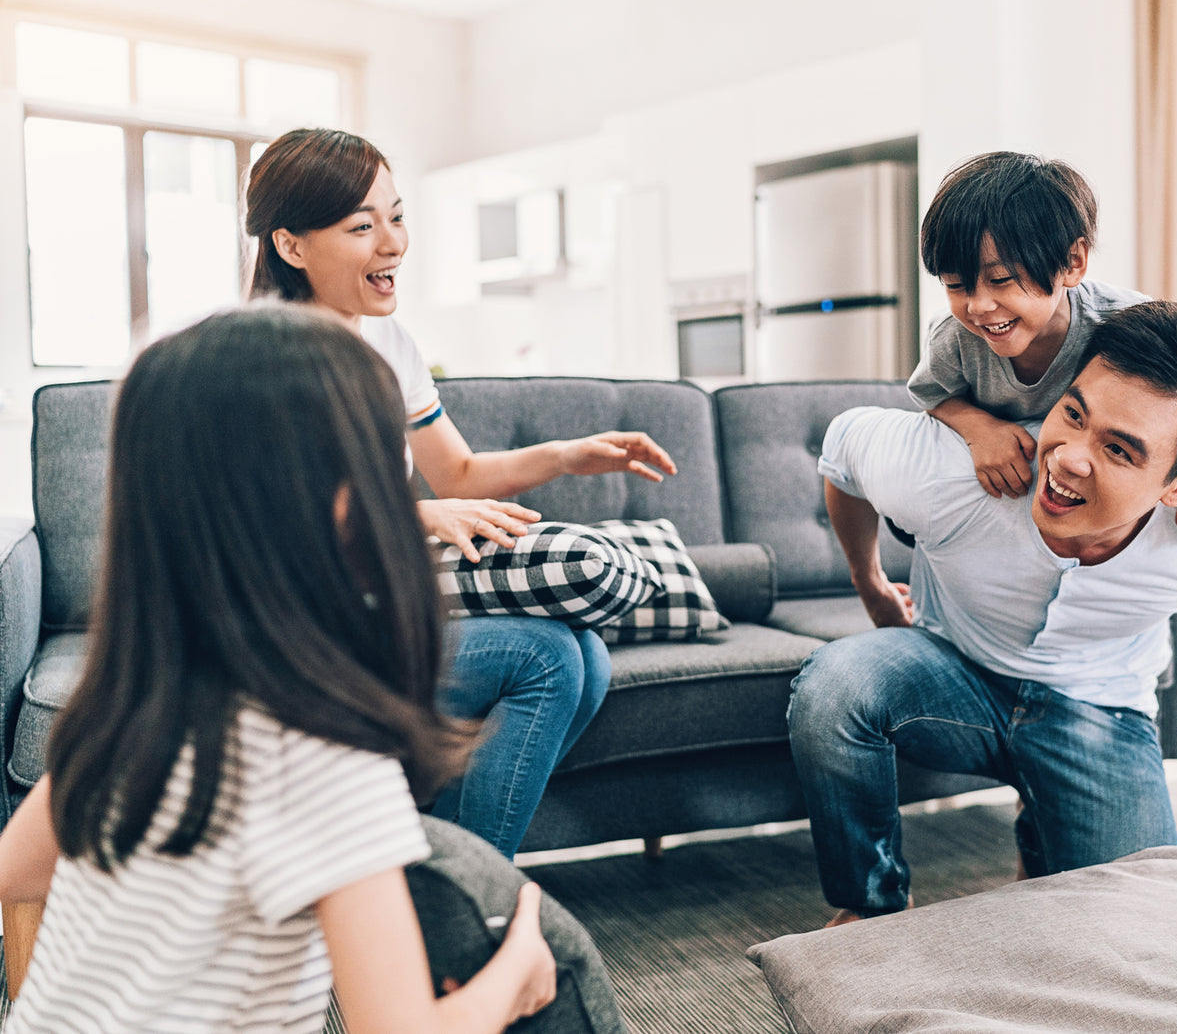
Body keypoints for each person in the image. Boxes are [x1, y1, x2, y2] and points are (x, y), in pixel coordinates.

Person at [0, 307, 558, 1032]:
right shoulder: (327, 755)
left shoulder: (124, 714)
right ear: (347, 507)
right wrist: (516, 975)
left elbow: (15, 870)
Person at [244, 127, 677, 857]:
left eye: (397, 215)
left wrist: (568, 456)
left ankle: (432, 873)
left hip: (380, 614)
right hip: (298, 636)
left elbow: (459, 475)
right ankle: (460, 909)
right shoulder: (256, 361)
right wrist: (413, 514)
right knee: (544, 658)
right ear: (291, 245)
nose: (394, 243)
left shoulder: (390, 344)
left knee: (588, 658)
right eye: (362, 226)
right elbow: (270, 531)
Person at [788, 300, 1177, 923]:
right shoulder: (949, 473)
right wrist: (872, 582)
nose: (1070, 457)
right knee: (834, 684)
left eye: (1120, 451)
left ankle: (1043, 830)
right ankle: (870, 904)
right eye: (1072, 414)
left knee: (1136, 927)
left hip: (1098, 705)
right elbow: (842, 447)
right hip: (954, 675)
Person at [909, 151, 1177, 545]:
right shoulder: (953, 335)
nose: (978, 306)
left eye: (1001, 279)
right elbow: (932, 393)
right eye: (955, 285)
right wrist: (980, 430)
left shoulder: (1122, 320)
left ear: (1073, 262)